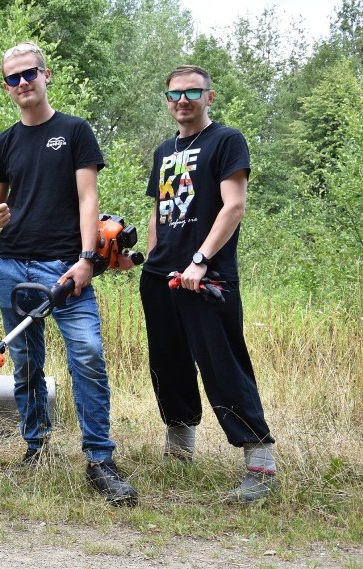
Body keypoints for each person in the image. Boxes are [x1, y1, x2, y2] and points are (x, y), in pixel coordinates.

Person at [0, 41, 137, 505]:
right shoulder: (4, 142)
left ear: (45, 74)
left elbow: (88, 198)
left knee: (87, 353)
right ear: (7, 87)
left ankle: (99, 460)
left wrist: (88, 258)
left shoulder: (74, 131)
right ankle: (36, 446)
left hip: (66, 267)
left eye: (29, 73)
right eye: (13, 77)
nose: (22, 82)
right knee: (27, 363)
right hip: (13, 266)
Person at [140, 65, 278, 503]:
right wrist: (149, 261)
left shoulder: (226, 140)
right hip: (162, 277)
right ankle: (179, 454)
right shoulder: (165, 150)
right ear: (167, 99)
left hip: (207, 277)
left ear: (209, 97)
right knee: (169, 363)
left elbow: (233, 206)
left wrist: (200, 260)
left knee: (223, 365)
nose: (183, 100)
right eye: (175, 93)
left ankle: (260, 466)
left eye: (192, 92)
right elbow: (160, 212)